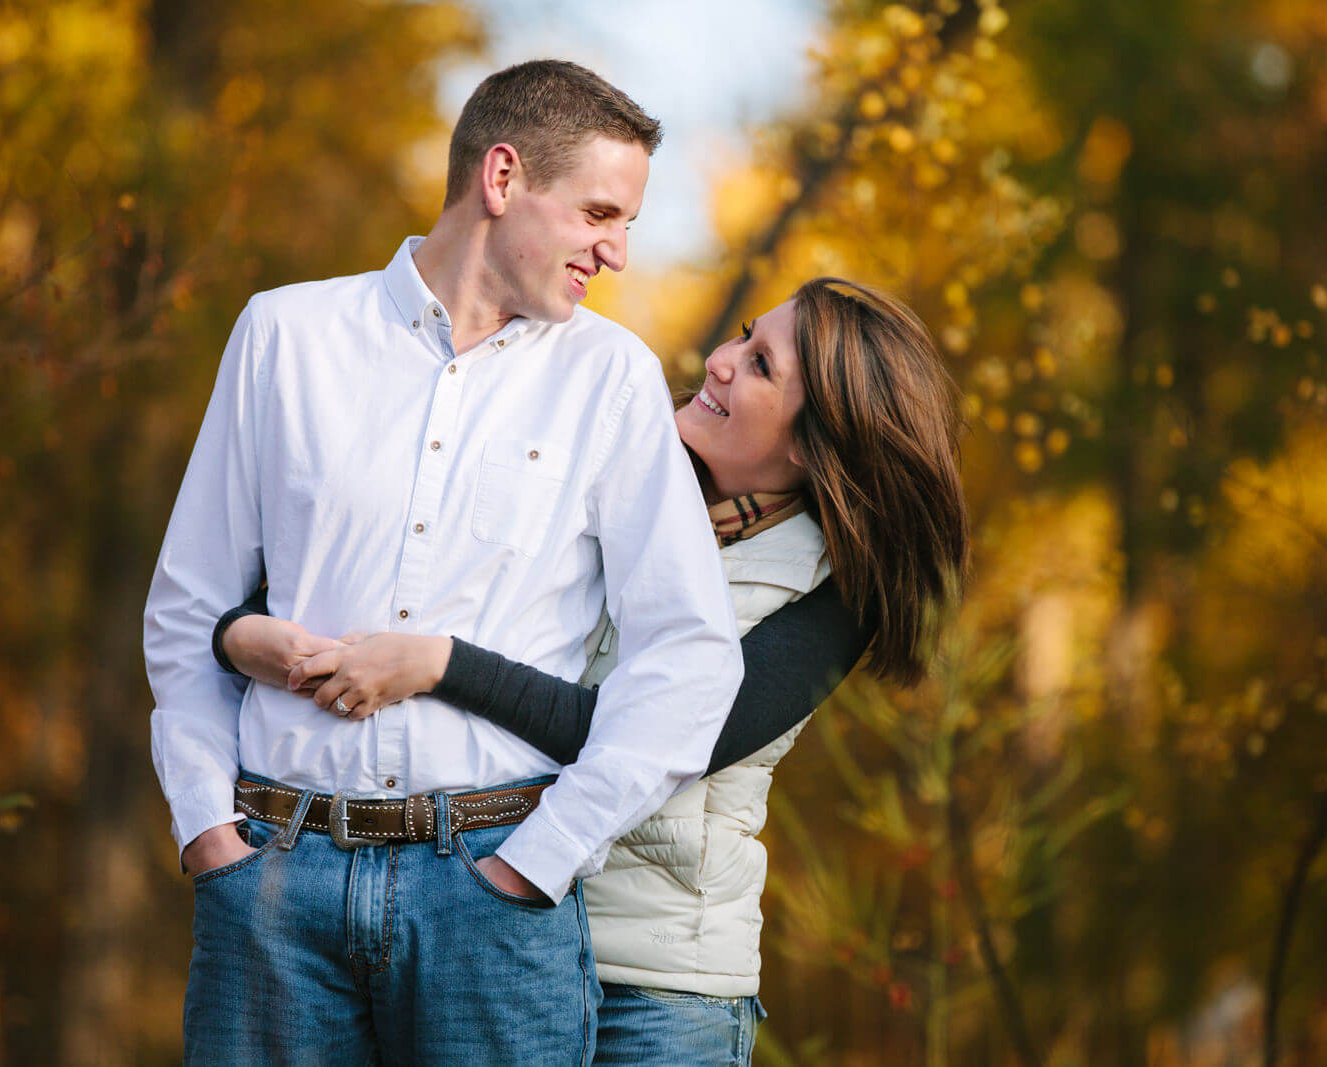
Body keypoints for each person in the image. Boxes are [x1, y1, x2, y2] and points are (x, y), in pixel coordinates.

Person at [142, 60, 746, 1065]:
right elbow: (186, 607)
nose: (619, 252)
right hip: (274, 886)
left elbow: (690, 656)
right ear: (502, 179)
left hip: (492, 896)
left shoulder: (613, 381)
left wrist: (542, 858)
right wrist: (210, 832)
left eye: (628, 222)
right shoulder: (284, 336)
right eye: (600, 212)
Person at [217, 277, 970, 1064]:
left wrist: (442, 665)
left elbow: (653, 734)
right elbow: (369, 580)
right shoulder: (609, 463)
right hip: (488, 943)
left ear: (815, 442)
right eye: (742, 336)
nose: (718, 362)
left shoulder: (833, 598)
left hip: (653, 988)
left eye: (760, 366)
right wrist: (240, 629)